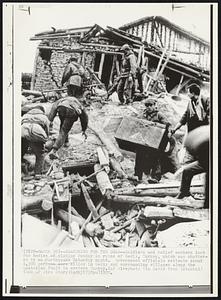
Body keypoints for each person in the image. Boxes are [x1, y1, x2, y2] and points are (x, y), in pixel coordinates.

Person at [134, 97, 173, 183]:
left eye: (150, 105)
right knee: (139, 155)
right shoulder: (143, 114)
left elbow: (168, 125)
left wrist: (169, 132)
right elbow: (136, 122)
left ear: (154, 106)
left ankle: (155, 177)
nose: (148, 107)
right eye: (147, 106)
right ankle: (137, 175)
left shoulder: (159, 115)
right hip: (145, 140)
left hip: (156, 141)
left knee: (156, 157)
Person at [171, 83, 210, 163]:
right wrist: (174, 129)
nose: (187, 94)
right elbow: (184, 118)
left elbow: (211, 117)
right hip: (192, 135)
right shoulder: (190, 103)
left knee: (203, 158)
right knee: (190, 158)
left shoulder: (205, 101)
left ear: (193, 93)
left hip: (203, 136)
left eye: (188, 92)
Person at [176, 125, 209, 208]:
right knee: (187, 170)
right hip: (206, 159)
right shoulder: (198, 140)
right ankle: (184, 192)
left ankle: (208, 203)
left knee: (210, 179)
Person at [21, 106, 50, 177]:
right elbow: (46, 131)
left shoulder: (25, 115)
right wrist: (42, 144)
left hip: (22, 131)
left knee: (20, 152)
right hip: (35, 131)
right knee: (40, 155)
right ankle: (38, 174)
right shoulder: (44, 117)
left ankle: (23, 171)